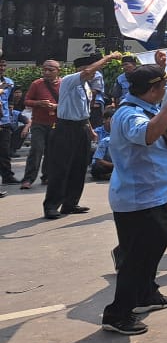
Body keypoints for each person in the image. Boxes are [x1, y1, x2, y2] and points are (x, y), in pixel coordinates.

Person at [101, 66, 167, 335]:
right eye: (163, 87)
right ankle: (118, 314)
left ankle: (147, 294)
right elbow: (148, 135)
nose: (166, 91)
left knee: (155, 246)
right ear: (153, 89)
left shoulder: (146, 107)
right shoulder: (129, 114)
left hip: (158, 195)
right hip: (140, 200)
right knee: (136, 258)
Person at [43, 52, 120, 220]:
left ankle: (70, 203)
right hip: (65, 128)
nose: (93, 73)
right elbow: (87, 73)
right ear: (81, 69)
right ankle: (51, 206)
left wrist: (90, 129)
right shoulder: (70, 80)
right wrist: (108, 58)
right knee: (60, 168)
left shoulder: (86, 86)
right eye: (91, 69)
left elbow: (83, 112)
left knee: (79, 167)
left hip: (81, 128)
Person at [22, 60, 61, 189]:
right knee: (36, 150)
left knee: (52, 151)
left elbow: (68, 103)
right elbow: (27, 101)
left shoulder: (63, 84)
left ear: (58, 71)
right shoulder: (37, 84)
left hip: (56, 123)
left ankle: (47, 176)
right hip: (39, 123)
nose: (47, 72)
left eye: (50, 70)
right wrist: (39, 103)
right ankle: (28, 179)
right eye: (45, 69)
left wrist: (56, 106)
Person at [0, 56, 15, 187]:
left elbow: (10, 99)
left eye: (4, 66)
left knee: (5, 151)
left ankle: (7, 176)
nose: (2, 68)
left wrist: (10, 110)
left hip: (4, 120)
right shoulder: (4, 84)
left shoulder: (9, 82)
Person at [90, 106, 116, 181]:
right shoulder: (97, 132)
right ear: (104, 120)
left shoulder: (119, 134)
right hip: (102, 159)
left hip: (114, 160)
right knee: (96, 168)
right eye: (111, 119)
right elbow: (98, 159)